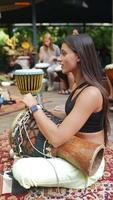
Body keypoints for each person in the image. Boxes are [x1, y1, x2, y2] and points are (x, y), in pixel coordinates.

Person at [12, 33, 110, 190]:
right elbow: (82, 118)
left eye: (64, 53)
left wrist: (34, 106)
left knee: (21, 168)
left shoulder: (91, 93)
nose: (59, 58)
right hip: (69, 153)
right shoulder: (78, 86)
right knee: (16, 150)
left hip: (86, 164)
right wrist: (47, 112)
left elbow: (57, 138)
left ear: (78, 57)